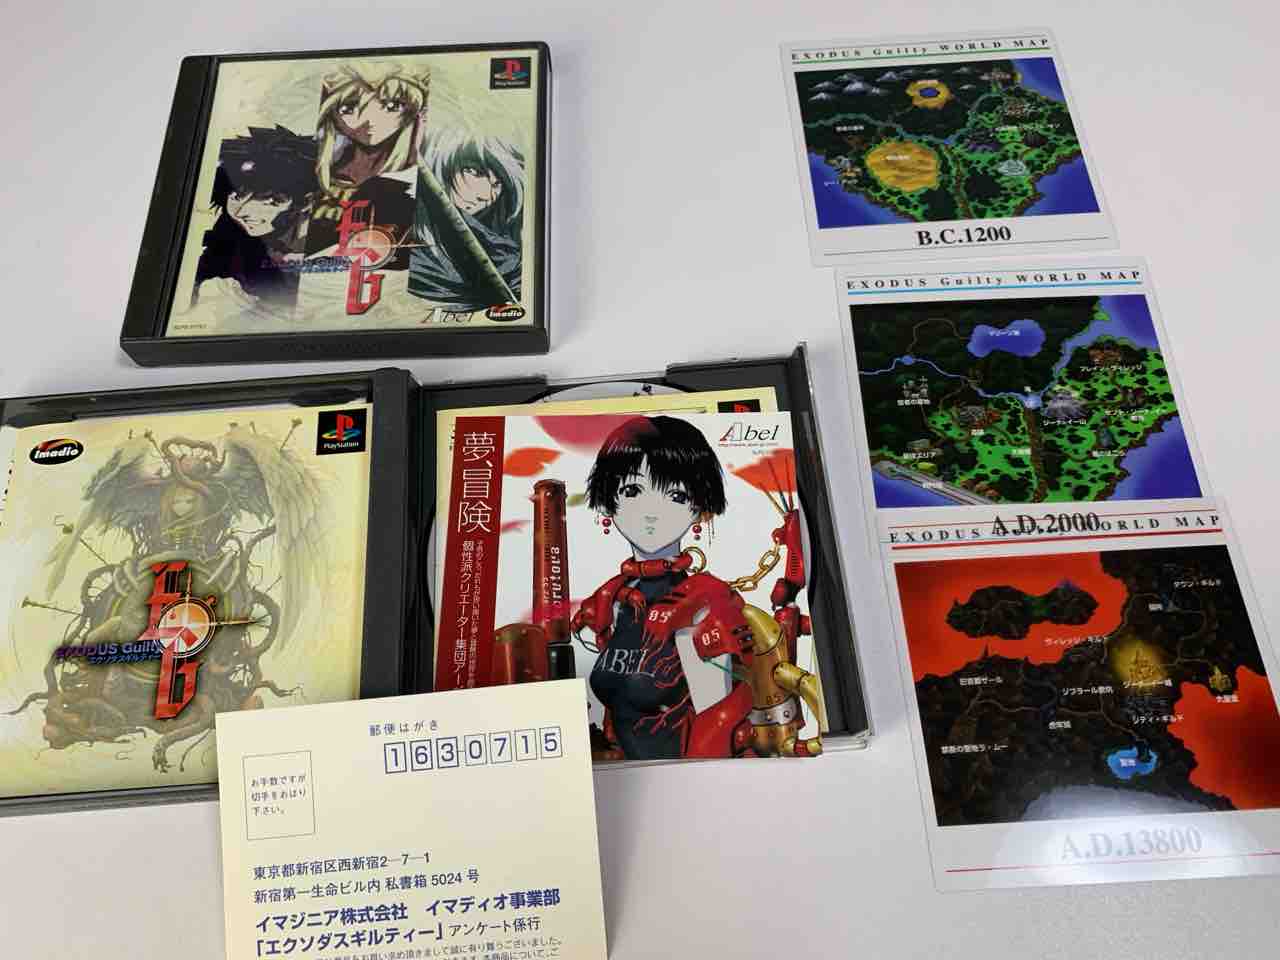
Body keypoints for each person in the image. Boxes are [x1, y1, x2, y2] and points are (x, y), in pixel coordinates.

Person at [575, 416, 740, 761]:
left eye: (676, 495)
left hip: (683, 777)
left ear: (701, 509)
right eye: (632, 491)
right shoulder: (613, 598)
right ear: (607, 501)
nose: (651, 512)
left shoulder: (700, 604)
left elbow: (714, 727)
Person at [306, 63, 430, 263]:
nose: (370, 121)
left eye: (392, 106)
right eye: (348, 108)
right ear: (332, 115)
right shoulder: (325, 173)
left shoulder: (415, 175)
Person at [193, 125, 317, 310]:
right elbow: (204, 270)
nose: (242, 211)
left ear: (305, 202)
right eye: (237, 197)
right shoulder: (230, 231)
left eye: (271, 201)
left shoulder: (318, 240)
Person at [408, 129, 525, 319]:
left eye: (497, 184)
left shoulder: (508, 256)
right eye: (476, 172)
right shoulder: (409, 250)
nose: (486, 196)